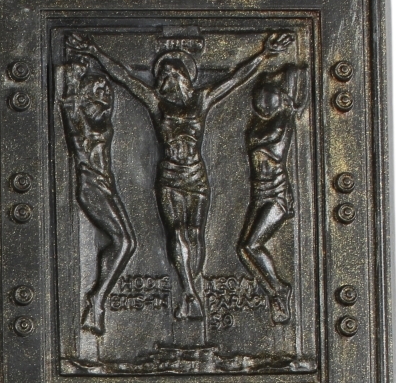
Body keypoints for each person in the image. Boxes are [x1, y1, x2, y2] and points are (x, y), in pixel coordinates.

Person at [66, 31, 295, 323]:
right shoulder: (157, 104)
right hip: (171, 177)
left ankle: (190, 282)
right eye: (164, 75)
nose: (169, 79)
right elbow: (125, 77)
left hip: (196, 177)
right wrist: (95, 50)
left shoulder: (201, 100)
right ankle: (189, 293)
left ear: (185, 77)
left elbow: (235, 79)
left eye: (174, 74)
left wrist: (264, 54)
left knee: (194, 235)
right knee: (177, 232)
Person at [58, 58, 137, 335]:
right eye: (99, 88)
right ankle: (97, 300)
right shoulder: (80, 117)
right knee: (125, 241)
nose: (106, 93)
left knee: (126, 242)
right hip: (91, 186)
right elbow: (69, 106)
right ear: (88, 92)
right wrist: (72, 77)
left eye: (107, 89)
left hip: (106, 185)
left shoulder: (101, 118)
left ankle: (98, 300)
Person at [240, 66, 305, 325]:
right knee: (245, 248)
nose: (262, 105)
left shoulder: (283, 121)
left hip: (276, 193)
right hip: (259, 191)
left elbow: (297, 74)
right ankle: (276, 291)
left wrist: (286, 79)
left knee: (251, 245)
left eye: (267, 99)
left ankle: (279, 290)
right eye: (259, 100)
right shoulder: (260, 123)